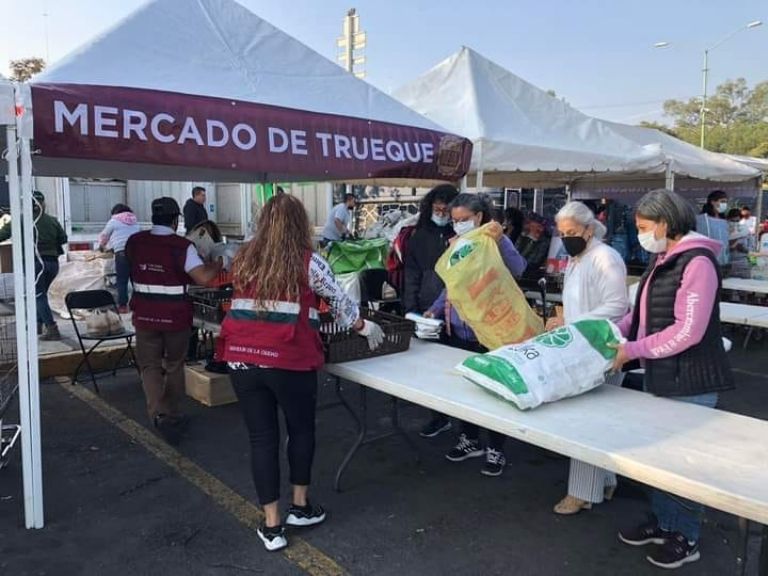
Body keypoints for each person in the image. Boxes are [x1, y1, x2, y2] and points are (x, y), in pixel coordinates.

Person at [219, 194, 383, 552]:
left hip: (242, 359)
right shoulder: (309, 262)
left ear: (263, 222)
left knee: (261, 439)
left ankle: (272, 527)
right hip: (288, 360)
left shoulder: (243, 257)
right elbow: (338, 300)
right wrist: (362, 326)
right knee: (300, 430)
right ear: (298, 224)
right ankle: (301, 507)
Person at [612, 189, 733, 570]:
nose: (641, 234)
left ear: (665, 223)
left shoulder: (697, 262)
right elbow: (640, 314)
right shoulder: (663, 257)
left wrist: (632, 351)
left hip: (691, 378)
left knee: (684, 463)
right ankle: (665, 523)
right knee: (659, 458)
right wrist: (611, 333)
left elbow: (689, 332)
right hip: (662, 373)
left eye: (644, 227)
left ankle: (686, 535)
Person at [425, 193, 527, 477]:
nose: (457, 225)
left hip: (491, 333)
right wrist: (434, 310)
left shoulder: (494, 241)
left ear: (479, 217)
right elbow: (453, 287)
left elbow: (519, 269)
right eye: (454, 220)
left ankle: (496, 447)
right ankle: (469, 439)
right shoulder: (460, 244)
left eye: (463, 220)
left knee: (494, 393)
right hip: (458, 330)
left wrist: (500, 240)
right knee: (465, 390)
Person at [545, 202, 628, 515]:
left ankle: (581, 493)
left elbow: (617, 306)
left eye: (572, 232)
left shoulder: (605, 258)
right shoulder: (578, 257)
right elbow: (581, 301)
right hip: (582, 345)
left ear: (589, 230)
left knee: (586, 421)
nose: (566, 238)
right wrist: (565, 317)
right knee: (596, 419)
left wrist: (572, 322)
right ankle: (605, 479)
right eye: (562, 233)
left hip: (600, 347)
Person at [126, 197, 221, 445]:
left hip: (144, 316)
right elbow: (202, 278)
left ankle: (158, 412)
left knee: (149, 367)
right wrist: (217, 264)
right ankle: (171, 412)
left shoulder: (134, 242)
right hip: (175, 318)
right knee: (174, 364)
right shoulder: (182, 246)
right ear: (175, 219)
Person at [401, 184, 458, 438]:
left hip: (459, 312)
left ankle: (465, 422)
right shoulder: (419, 236)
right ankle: (438, 416)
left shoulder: (462, 235)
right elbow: (411, 275)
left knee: (457, 365)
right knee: (431, 369)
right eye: (437, 208)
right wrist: (410, 308)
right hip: (426, 309)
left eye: (446, 209)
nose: (441, 212)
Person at [0, 191, 68, 340]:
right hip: (52, 264)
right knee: (40, 294)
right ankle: (36, 325)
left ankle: (52, 329)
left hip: (35, 264)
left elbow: (2, 235)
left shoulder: (20, 220)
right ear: (42, 203)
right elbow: (63, 238)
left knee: (38, 295)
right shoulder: (52, 220)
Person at [98, 204, 140, 313]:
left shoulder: (114, 221)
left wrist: (101, 247)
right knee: (135, 281)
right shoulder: (135, 221)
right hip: (136, 253)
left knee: (122, 280)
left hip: (121, 253)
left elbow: (104, 236)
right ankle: (137, 305)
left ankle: (122, 306)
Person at [696, 190, 730, 267]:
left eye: (726, 202)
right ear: (713, 202)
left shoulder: (724, 221)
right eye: (722, 201)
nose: (724, 204)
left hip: (723, 262)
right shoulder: (703, 220)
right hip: (707, 261)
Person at [727, 208, 751, 278]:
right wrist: (730, 248)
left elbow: (752, 248)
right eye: (732, 220)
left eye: (737, 221)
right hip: (728, 264)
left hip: (743, 263)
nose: (735, 223)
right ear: (728, 219)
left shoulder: (745, 231)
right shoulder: (723, 231)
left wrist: (745, 249)